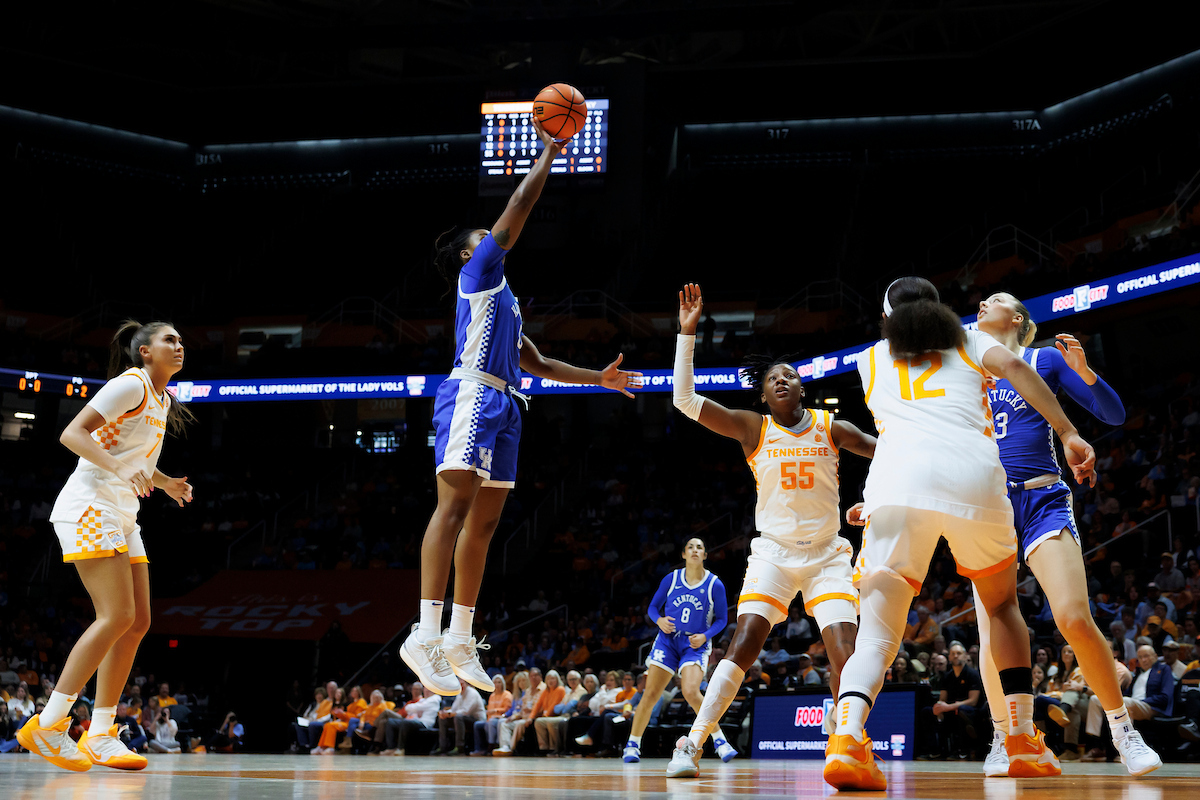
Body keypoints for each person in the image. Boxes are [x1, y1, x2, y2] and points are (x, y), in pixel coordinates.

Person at [400, 118, 644, 698]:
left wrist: (600, 379)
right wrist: (549, 155)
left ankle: (461, 635)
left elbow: (535, 362)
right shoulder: (477, 271)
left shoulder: (504, 299)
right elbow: (519, 203)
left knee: (483, 526)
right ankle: (424, 633)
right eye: (485, 234)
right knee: (454, 510)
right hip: (471, 394)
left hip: (507, 404)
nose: (496, 237)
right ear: (469, 250)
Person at [824, 277, 1098, 790]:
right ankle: (1019, 738)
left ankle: (847, 738)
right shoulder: (968, 339)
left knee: (880, 631)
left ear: (886, 320)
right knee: (1000, 607)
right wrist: (1067, 431)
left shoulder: (868, 358)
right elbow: (1017, 368)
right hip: (973, 475)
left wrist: (880, 499)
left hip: (896, 483)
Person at [666, 284, 877, 779]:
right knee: (744, 643)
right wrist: (687, 334)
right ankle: (692, 743)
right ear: (762, 394)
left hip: (828, 555)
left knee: (845, 651)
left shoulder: (832, 428)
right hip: (774, 555)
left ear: (802, 388)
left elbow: (887, 456)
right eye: (772, 378)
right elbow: (683, 400)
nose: (782, 380)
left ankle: (844, 736)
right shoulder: (753, 428)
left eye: (790, 376)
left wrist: (877, 499)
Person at [973, 291, 1160, 777]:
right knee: (988, 632)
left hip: (1041, 498)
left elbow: (1113, 416)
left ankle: (1123, 731)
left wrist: (1085, 370)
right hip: (985, 507)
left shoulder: (1043, 359)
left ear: (1016, 318)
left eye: (993, 299)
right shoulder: (963, 366)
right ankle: (1003, 736)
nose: (980, 305)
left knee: (1074, 617)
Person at [19, 321, 195, 773]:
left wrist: (165, 481)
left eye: (180, 341)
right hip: (90, 503)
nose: (179, 346)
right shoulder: (129, 384)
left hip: (122, 511)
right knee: (115, 615)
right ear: (144, 352)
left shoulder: (161, 398)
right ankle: (50, 724)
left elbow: (135, 461)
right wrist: (122, 468)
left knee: (137, 623)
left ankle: (100, 731)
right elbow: (73, 434)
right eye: (168, 341)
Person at [624, 537, 729, 764]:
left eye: (699, 547)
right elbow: (652, 607)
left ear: (705, 555)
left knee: (691, 691)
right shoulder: (671, 579)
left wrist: (705, 636)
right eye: (690, 547)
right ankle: (633, 744)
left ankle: (720, 740)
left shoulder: (714, 584)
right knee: (650, 694)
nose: (694, 550)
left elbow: (722, 619)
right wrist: (659, 620)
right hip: (667, 642)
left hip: (694, 645)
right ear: (683, 554)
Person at [434, 679, 485, 755]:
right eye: (459, 684)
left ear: (466, 684)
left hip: (476, 719)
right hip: (463, 719)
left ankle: (459, 747)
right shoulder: (459, 694)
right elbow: (454, 709)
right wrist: (445, 713)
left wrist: (450, 714)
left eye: (462, 684)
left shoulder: (472, 693)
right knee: (443, 719)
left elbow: (466, 711)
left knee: (458, 717)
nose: (460, 686)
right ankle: (443, 747)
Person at [472, 673, 516, 755]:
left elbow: (508, 709)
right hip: (490, 719)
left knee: (492, 722)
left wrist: (496, 711)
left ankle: (491, 745)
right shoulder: (492, 696)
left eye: (499, 682)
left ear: (503, 684)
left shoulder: (507, 694)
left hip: (501, 717)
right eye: (495, 682)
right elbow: (489, 711)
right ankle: (479, 749)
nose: (497, 684)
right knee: (477, 724)